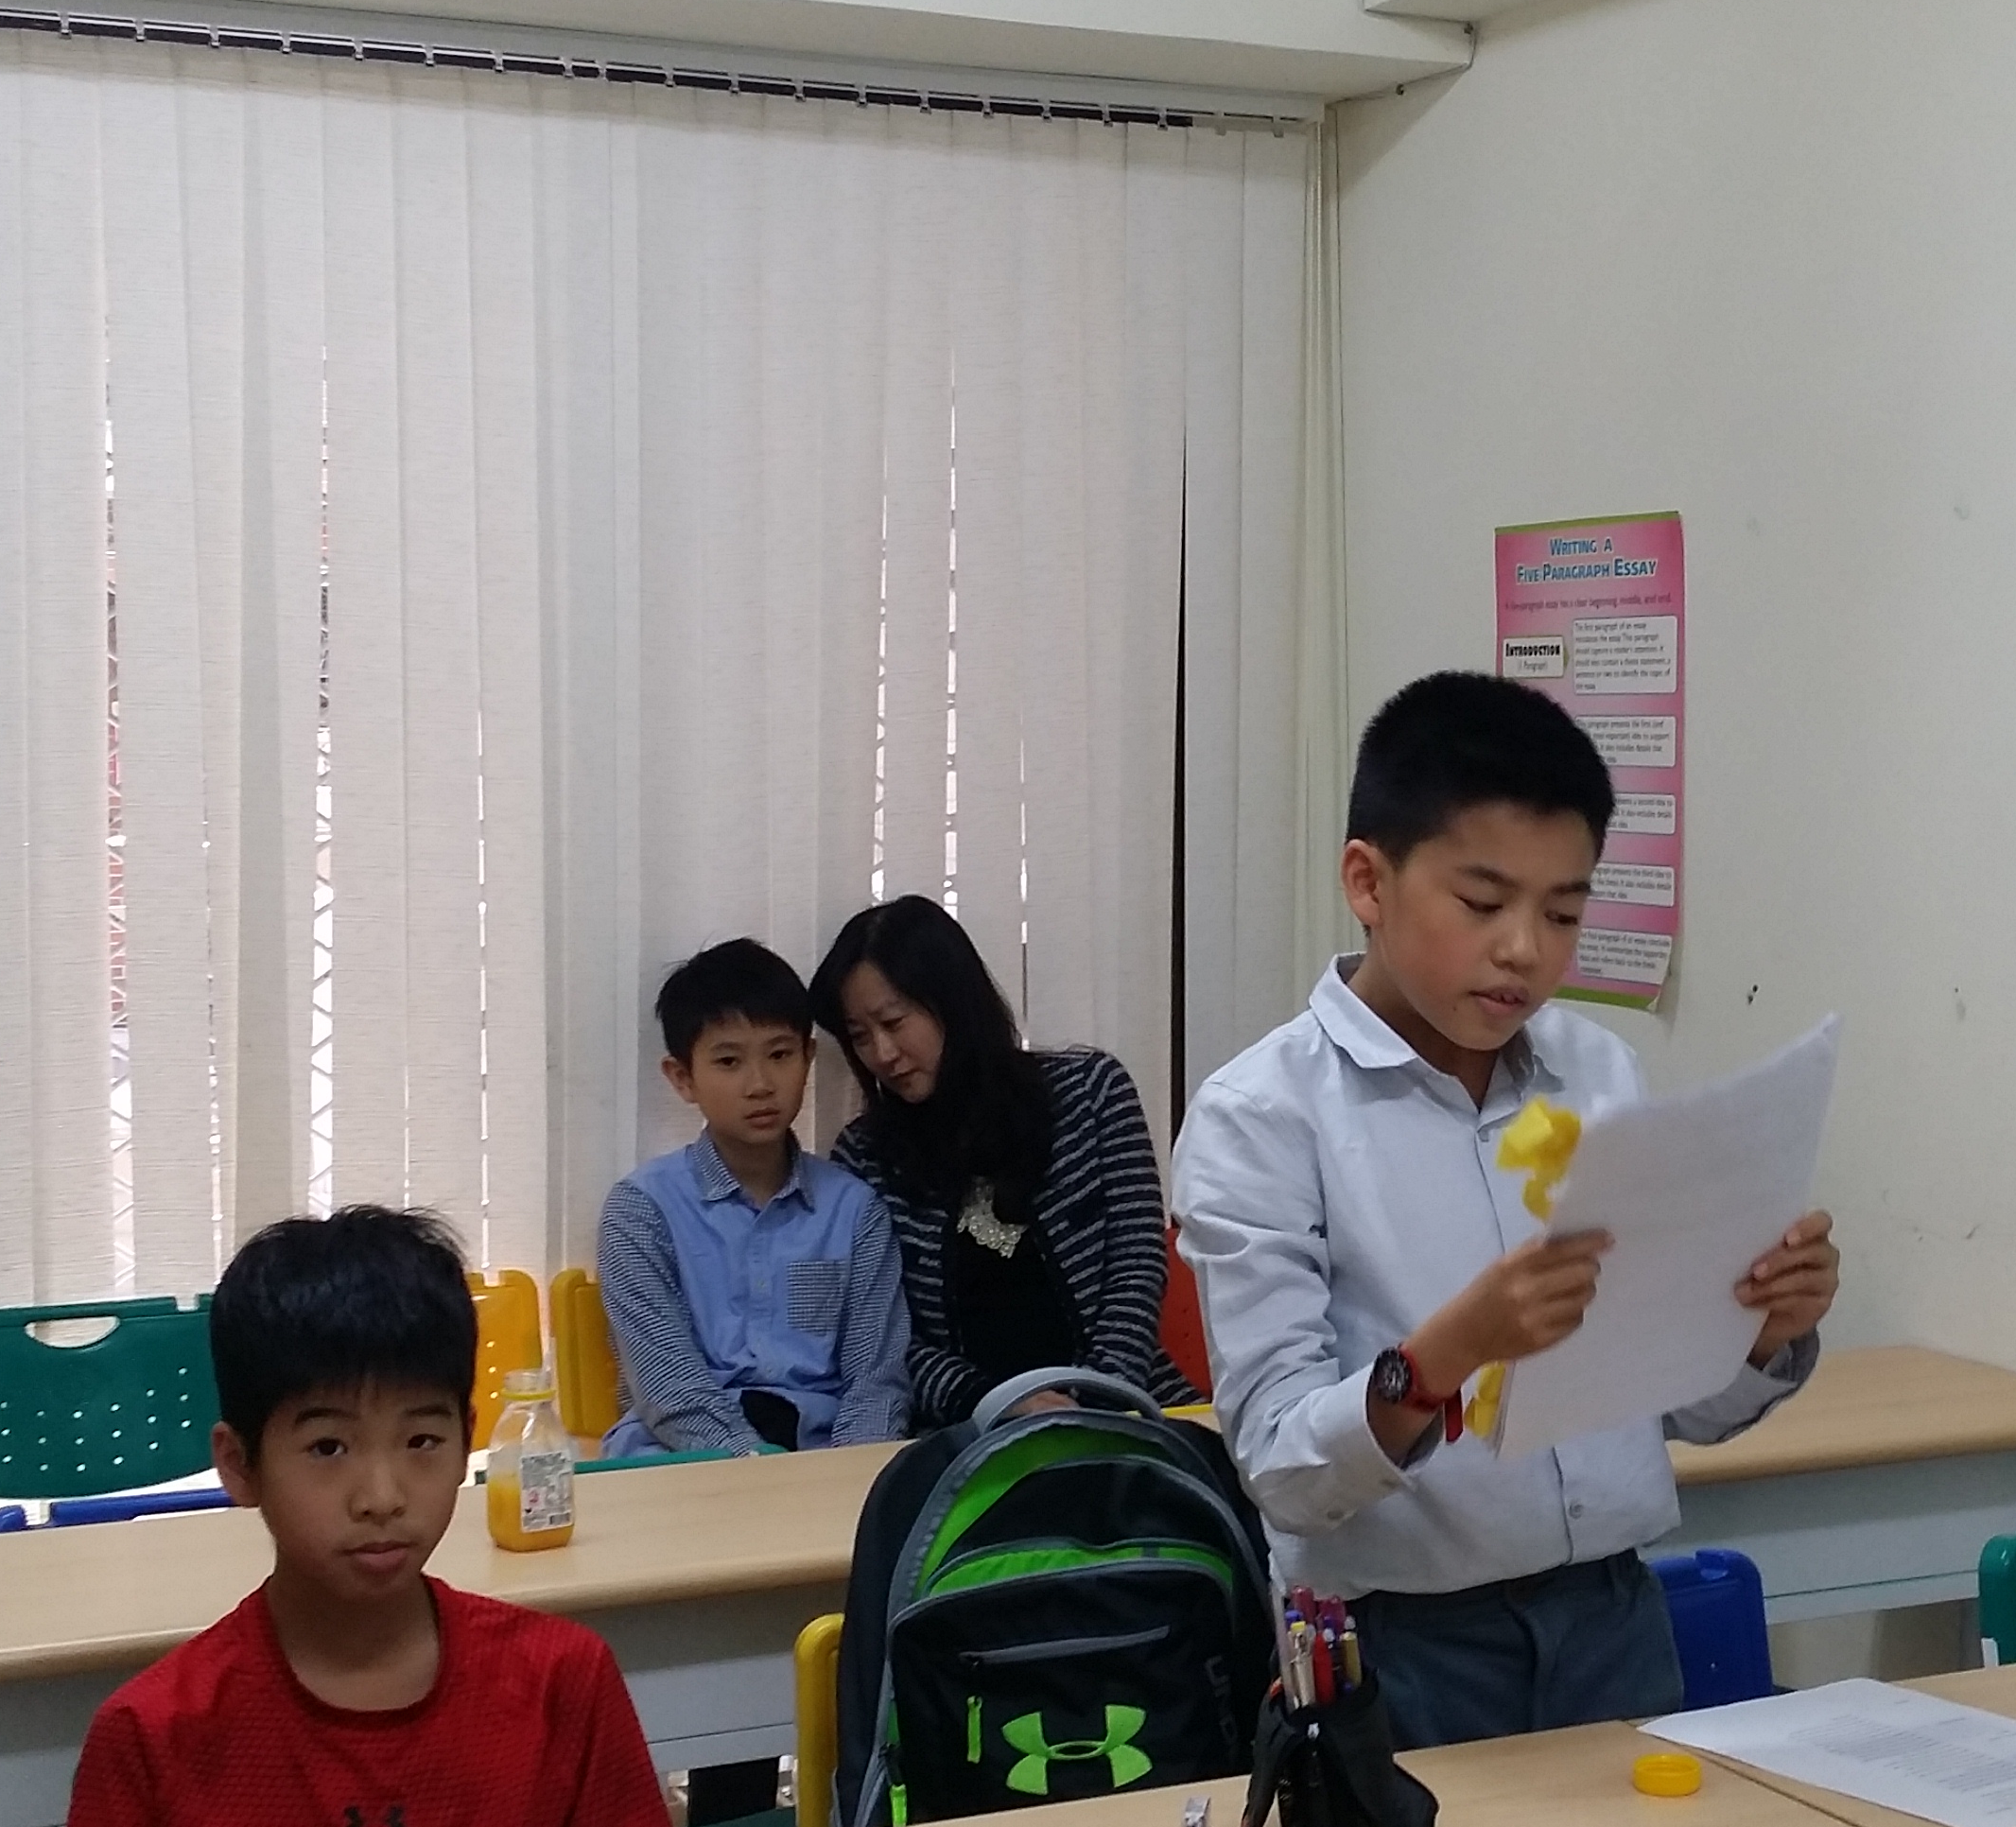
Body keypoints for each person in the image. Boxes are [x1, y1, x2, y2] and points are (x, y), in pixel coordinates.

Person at [1170, 671, 1843, 1750]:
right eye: (1483, 905)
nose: (1526, 948)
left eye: (1563, 912)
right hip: (1397, 1647)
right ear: (1368, 880)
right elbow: (1282, 1467)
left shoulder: (1598, 1070)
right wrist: (1448, 1354)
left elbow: (1669, 1407)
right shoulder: (1264, 1116)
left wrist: (1761, 1331)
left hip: (1614, 1618)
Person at [47, 1206, 677, 1827]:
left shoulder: (562, 1683)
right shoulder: (153, 1738)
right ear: (239, 1464)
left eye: (422, 1440)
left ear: (466, 1440)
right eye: (328, 1447)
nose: (382, 1496)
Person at [811, 895, 1197, 1430]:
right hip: (969, 1432)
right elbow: (886, 1335)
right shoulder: (864, 1156)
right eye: (859, 1037)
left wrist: (1093, 1401)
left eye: (893, 1022)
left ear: (952, 1000)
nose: (882, 1053)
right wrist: (994, 1404)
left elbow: (1137, 1265)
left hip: (1129, 1406)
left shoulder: (1092, 1092)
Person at [595, 937, 911, 1455]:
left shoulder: (855, 1212)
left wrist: (851, 1479)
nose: (760, 1084)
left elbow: (875, 1383)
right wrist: (753, 1469)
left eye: (780, 1054)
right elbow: (669, 1388)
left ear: (808, 1058)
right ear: (682, 1078)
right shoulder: (642, 1211)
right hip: (679, 1459)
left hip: (819, 1456)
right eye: (728, 1061)